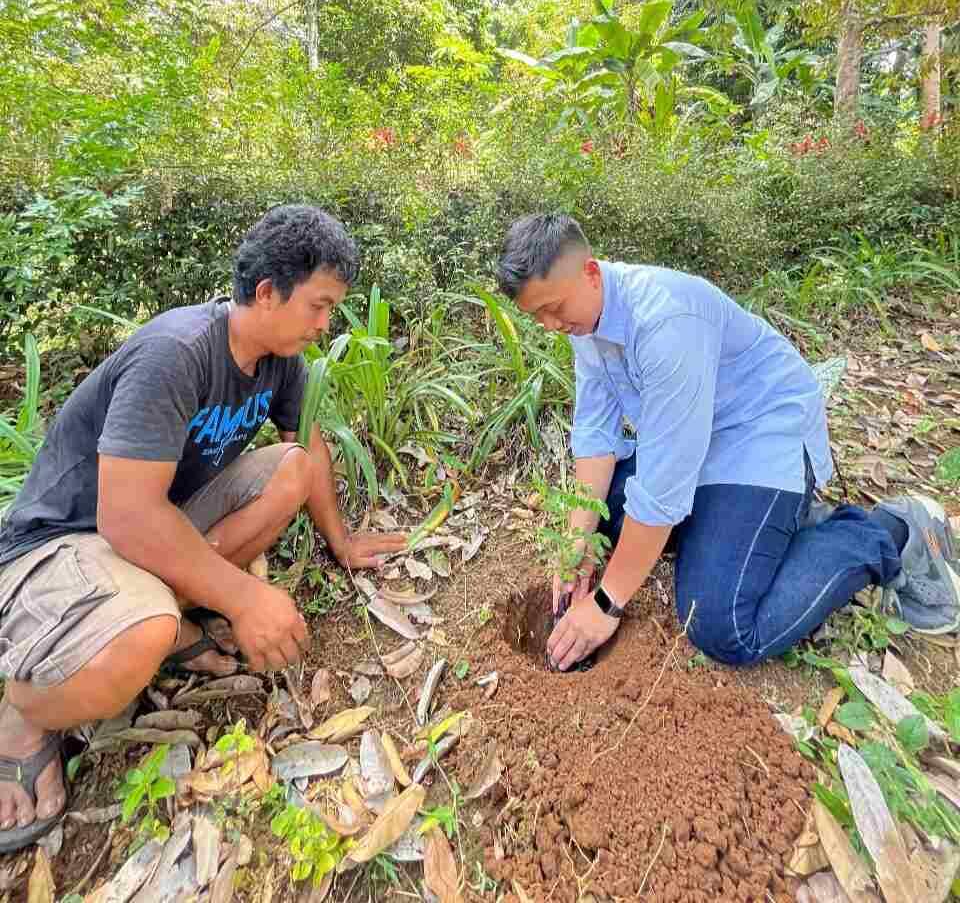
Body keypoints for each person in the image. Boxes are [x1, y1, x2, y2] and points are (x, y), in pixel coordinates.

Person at [0, 204, 406, 851]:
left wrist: (343, 540)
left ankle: (171, 612)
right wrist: (245, 596)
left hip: (150, 531)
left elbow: (306, 445)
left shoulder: (278, 357)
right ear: (268, 291)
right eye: (319, 306)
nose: (326, 325)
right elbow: (126, 515)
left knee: (293, 469)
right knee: (147, 630)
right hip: (65, 543)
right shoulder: (177, 351)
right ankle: (21, 713)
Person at [496, 213, 960, 673]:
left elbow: (661, 491)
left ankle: (891, 529)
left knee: (721, 625)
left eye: (554, 308)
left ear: (591, 272)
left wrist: (606, 603)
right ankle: (762, 528)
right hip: (700, 447)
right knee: (606, 516)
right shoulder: (585, 322)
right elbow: (597, 437)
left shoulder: (665, 322)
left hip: (763, 440)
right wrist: (578, 538)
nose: (550, 325)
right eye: (536, 315)